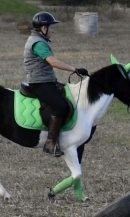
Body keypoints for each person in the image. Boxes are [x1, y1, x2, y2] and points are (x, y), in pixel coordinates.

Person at [23, 12, 89, 156]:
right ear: (43, 28)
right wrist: (75, 69)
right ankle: (50, 143)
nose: (52, 30)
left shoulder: (39, 40)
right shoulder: (38, 43)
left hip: (46, 80)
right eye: (51, 27)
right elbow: (52, 61)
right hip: (39, 82)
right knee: (60, 106)